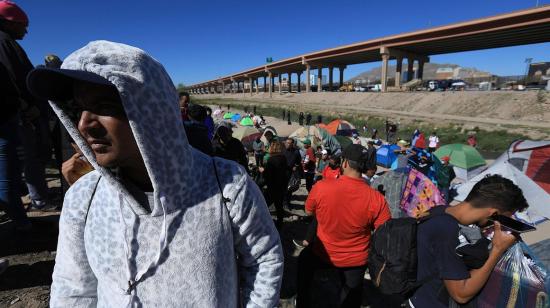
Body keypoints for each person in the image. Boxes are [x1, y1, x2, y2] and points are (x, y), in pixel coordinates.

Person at [27, 40, 283, 307]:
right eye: (78, 108)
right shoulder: (83, 198)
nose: (84, 124)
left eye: (105, 106)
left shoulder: (226, 185)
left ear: (151, 109)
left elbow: (264, 259)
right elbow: (73, 289)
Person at [410, 175, 527, 308]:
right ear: (494, 213)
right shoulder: (447, 230)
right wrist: (497, 249)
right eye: (504, 218)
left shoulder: (440, 211)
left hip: (419, 297)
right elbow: (461, 294)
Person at [297, 144, 391, 307]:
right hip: (356, 260)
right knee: (351, 296)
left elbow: (308, 211)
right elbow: (385, 231)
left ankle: (302, 301)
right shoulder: (377, 199)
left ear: (345, 163)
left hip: (323, 253)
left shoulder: (322, 187)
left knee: (303, 261)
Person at [1, 1, 51, 211]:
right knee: (26, 159)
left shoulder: (7, 42)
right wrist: (25, 106)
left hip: (20, 113)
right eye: (23, 24)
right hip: (20, 115)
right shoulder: (3, 43)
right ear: (10, 23)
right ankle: (34, 206)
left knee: (22, 161)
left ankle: (34, 201)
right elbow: (11, 80)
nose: (27, 30)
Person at [259, 141, 287, 231]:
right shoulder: (283, 158)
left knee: (264, 205)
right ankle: (280, 224)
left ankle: (265, 222)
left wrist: (262, 171)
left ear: (273, 148)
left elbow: (267, 175)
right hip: (281, 186)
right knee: (279, 206)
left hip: (272, 187)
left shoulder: (271, 160)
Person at [283, 138, 302, 207]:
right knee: (283, 188)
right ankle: (284, 202)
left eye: (289, 143)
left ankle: (287, 202)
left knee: (289, 188)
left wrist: (296, 166)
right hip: (282, 172)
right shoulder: (283, 150)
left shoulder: (296, 152)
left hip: (290, 173)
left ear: (292, 144)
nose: (287, 144)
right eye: (286, 142)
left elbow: (299, 161)